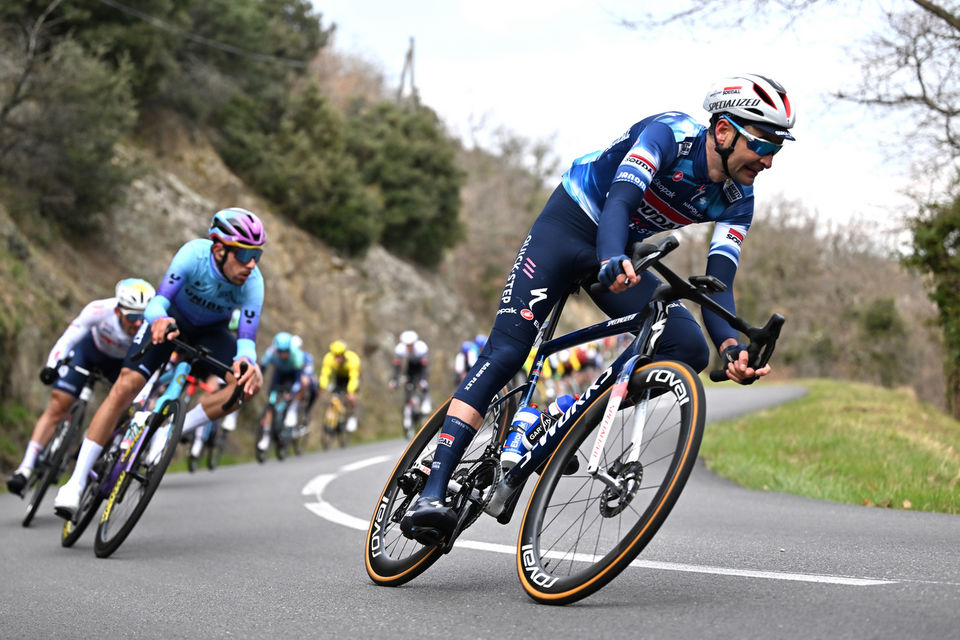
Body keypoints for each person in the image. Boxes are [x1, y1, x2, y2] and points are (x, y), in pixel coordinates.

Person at [400, 73, 794, 543]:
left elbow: (717, 283)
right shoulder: (668, 134)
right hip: (571, 227)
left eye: (778, 148)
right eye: (764, 143)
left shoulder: (738, 198)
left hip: (618, 250)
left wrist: (731, 346)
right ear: (725, 131)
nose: (769, 160)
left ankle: (566, 419)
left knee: (686, 347)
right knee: (507, 352)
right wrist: (611, 256)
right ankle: (433, 490)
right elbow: (620, 200)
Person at [53, 207, 267, 516]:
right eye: (244, 254)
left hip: (211, 332)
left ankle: (176, 430)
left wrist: (247, 362)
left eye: (257, 255)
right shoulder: (193, 255)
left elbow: (246, 339)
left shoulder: (253, 283)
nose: (251, 264)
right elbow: (158, 302)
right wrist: (158, 320)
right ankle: (74, 483)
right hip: (172, 320)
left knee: (246, 385)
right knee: (126, 386)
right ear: (219, 248)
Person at [4, 278, 155, 496]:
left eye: (142, 317)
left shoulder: (150, 326)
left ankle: (88, 443)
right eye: (132, 317)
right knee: (59, 405)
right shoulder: (99, 310)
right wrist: (52, 365)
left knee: (120, 409)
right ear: (118, 310)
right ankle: (26, 468)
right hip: (88, 354)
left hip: (120, 365)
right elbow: (68, 339)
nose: (138, 324)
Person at [389, 330, 431, 433]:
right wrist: (394, 380)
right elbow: (397, 367)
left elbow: (425, 367)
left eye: (411, 345)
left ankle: (425, 399)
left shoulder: (421, 348)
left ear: (415, 343)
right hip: (410, 368)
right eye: (407, 345)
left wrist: (423, 380)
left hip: (421, 367)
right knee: (407, 386)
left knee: (423, 384)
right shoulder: (400, 349)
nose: (409, 347)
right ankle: (408, 417)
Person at [318, 339, 361, 432]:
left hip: (351, 377)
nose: (338, 359)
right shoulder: (328, 358)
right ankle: (334, 417)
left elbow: (354, 378)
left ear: (344, 354)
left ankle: (352, 417)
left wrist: (351, 391)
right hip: (339, 377)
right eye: (336, 356)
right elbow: (325, 374)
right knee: (334, 396)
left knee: (351, 397)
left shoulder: (353, 359)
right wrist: (322, 387)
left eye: (340, 356)